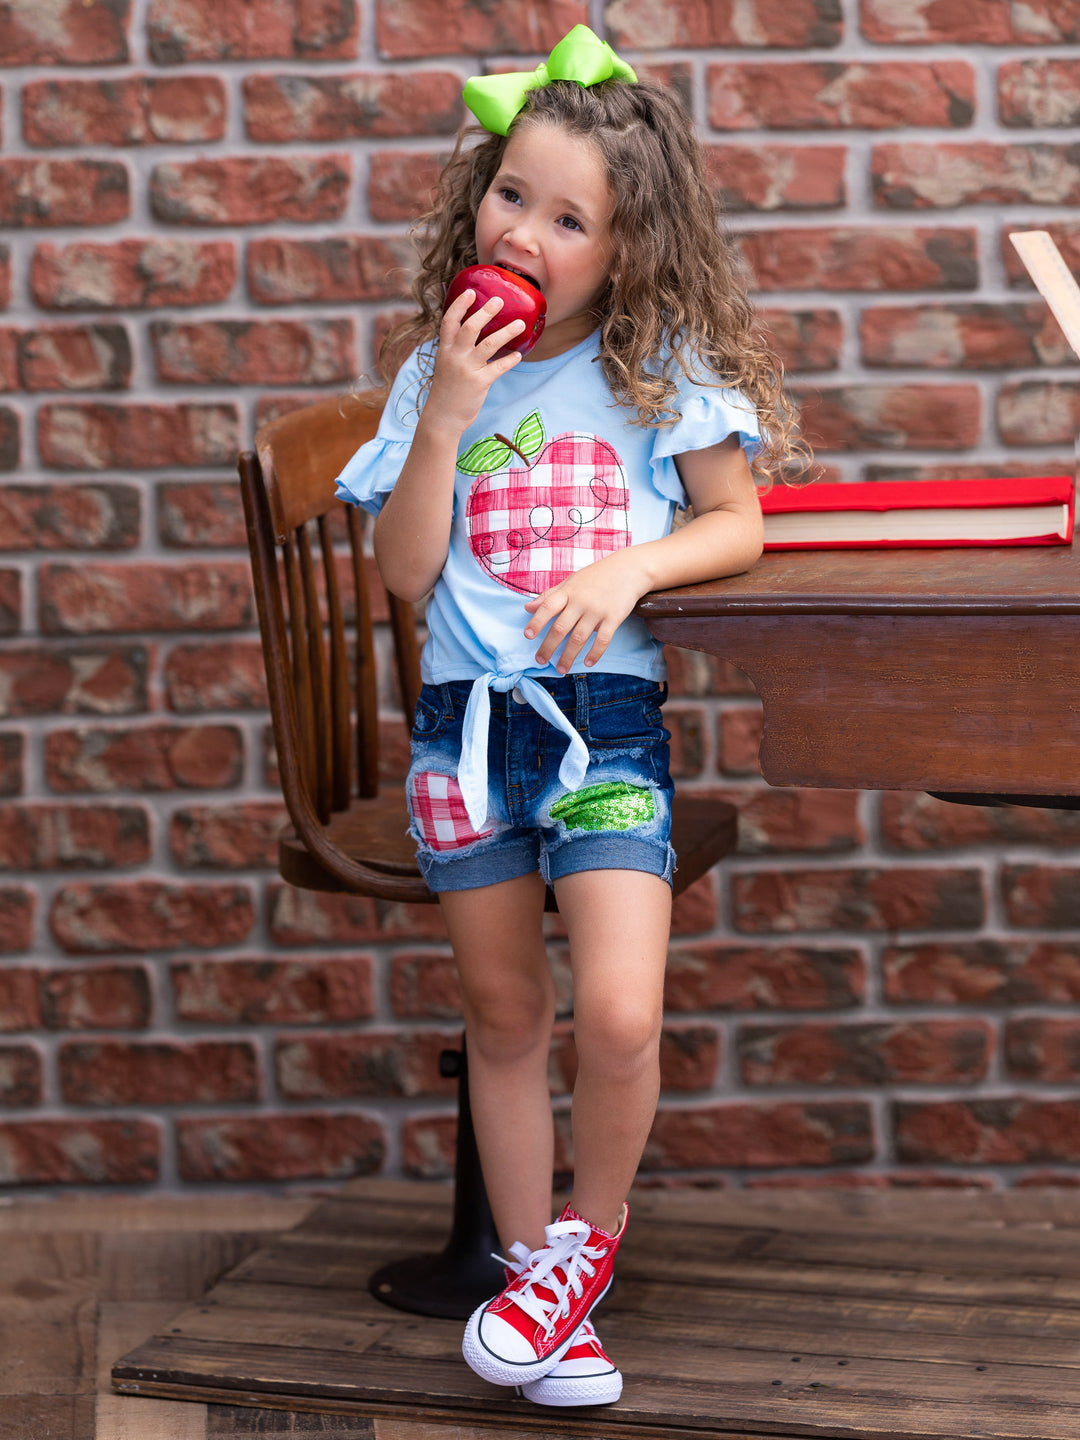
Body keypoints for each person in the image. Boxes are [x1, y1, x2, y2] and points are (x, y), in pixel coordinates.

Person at [335, 23, 803, 1408]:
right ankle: (533, 1279)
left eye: (568, 218)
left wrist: (630, 568)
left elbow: (735, 525)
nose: (524, 231)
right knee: (502, 1013)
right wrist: (446, 412)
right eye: (510, 195)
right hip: (463, 732)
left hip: (602, 727)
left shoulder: (657, 365)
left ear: (628, 247)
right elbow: (405, 571)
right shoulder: (437, 373)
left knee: (617, 1014)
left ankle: (580, 1254)